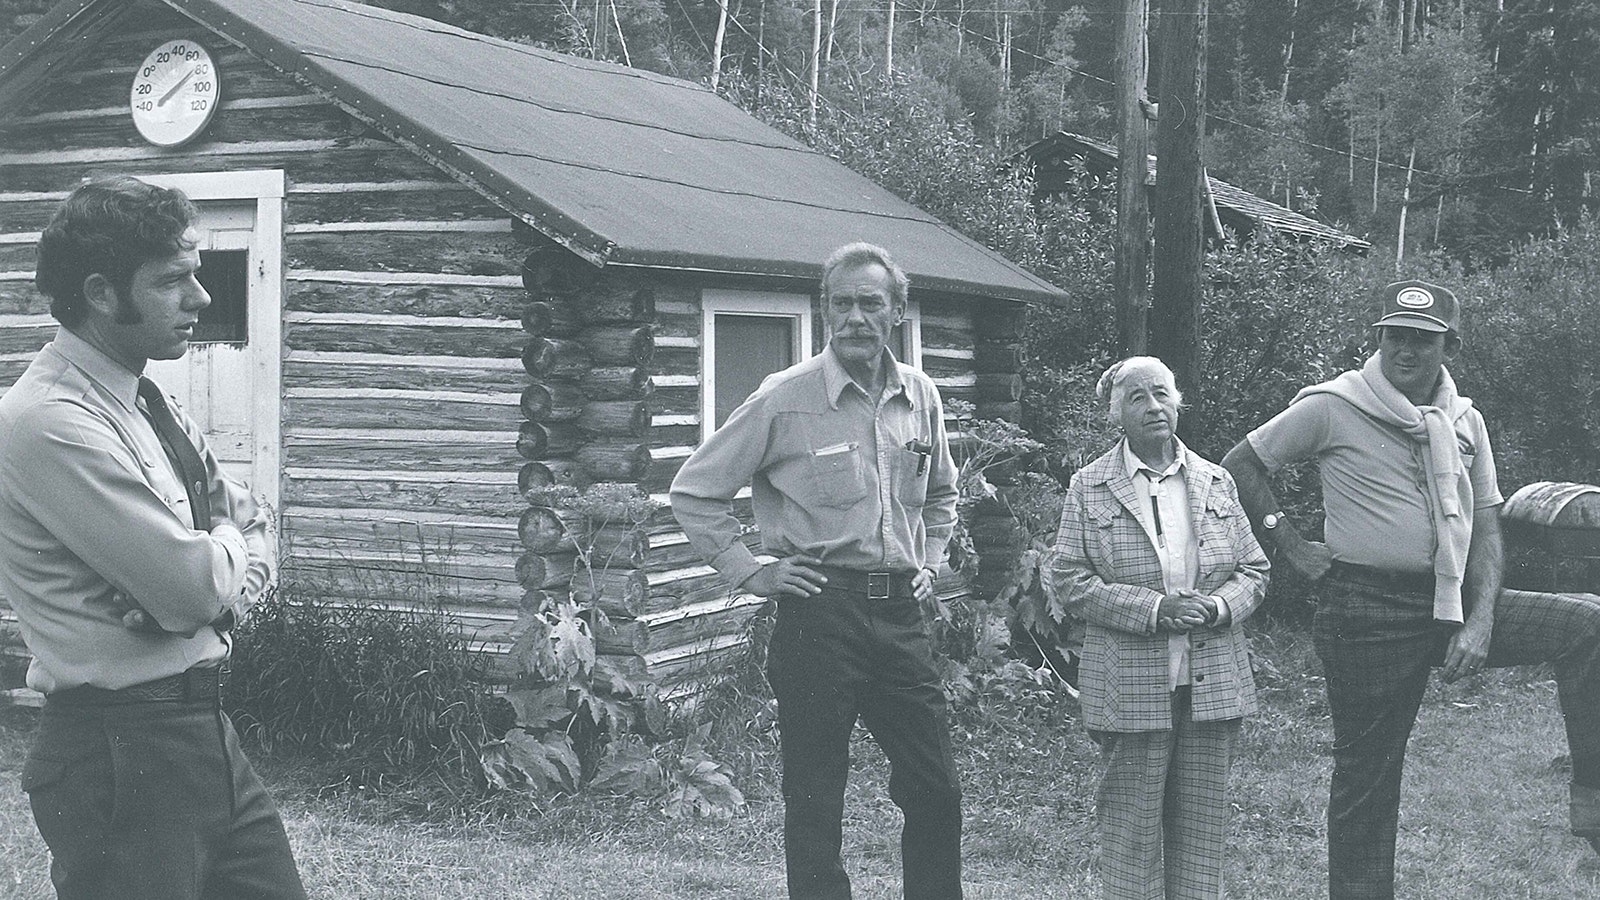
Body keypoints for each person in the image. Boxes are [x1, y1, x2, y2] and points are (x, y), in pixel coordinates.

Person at [1222, 280, 1600, 900]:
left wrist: (1479, 623)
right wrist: (1287, 545)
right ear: (1378, 339)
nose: (1407, 350)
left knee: (1588, 622)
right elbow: (1241, 465)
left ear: (1448, 345)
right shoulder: (1332, 405)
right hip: (1363, 607)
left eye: (1423, 339)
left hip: (1448, 602)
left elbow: (1483, 524)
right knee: (1368, 778)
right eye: (1396, 335)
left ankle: (1592, 800)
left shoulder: (1465, 419)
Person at [0, 176, 305, 900]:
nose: (201, 298)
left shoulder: (145, 400)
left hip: (204, 733)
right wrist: (215, 575)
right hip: (118, 751)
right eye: (174, 280)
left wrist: (219, 575)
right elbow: (191, 584)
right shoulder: (47, 420)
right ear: (102, 293)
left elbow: (250, 520)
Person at [670, 242, 962, 899]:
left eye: (871, 303)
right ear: (826, 309)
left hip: (898, 615)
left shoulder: (921, 395)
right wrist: (751, 571)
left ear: (897, 311)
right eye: (843, 303)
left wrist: (932, 561)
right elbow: (695, 490)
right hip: (817, 614)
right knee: (815, 792)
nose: (856, 316)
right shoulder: (785, 398)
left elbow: (942, 493)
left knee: (935, 784)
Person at [1049, 357, 1269, 900]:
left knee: (1201, 830)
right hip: (1129, 686)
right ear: (1115, 413)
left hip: (1211, 683)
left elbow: (1255, 570)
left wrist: (1217, 608)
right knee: (1132, 829)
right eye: (1137, 398)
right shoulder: (1090, 485)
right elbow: (1069, 580)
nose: (1153, 407)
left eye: (1162, 394)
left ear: (1178, 401)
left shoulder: (1216, 480)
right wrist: (1154, 609)